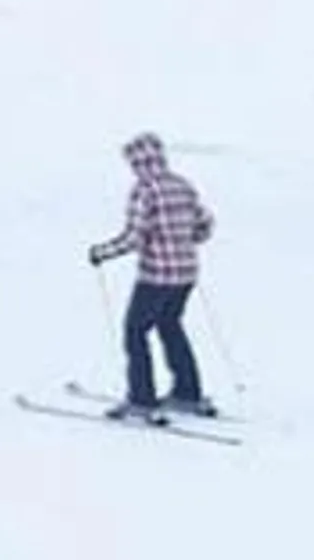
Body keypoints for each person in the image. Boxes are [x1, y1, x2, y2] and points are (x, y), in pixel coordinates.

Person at [88, 133, 217, 418]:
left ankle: (141, 398)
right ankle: (187, 392)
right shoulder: (182, 185)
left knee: (135, 331)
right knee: (170, 325)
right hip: (186, 275)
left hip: (156, 276)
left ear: (137, 162)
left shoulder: (144, 190)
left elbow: (134, 238)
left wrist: (103, 252)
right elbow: (205, 225)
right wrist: (185, 239)